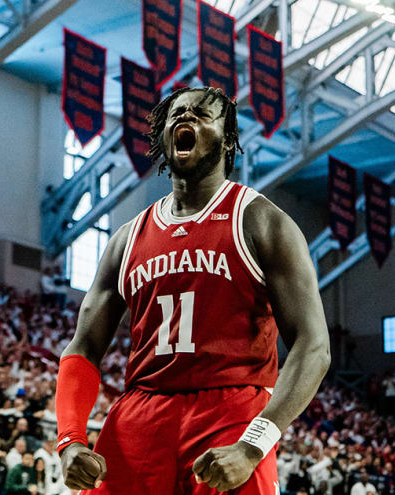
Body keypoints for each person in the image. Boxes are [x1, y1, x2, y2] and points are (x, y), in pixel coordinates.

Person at [56, 87, 330, 494]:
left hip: (230, 411)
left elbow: (313, 346)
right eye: (177, 114)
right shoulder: (127, 239)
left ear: (228, 137)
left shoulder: (260, 221)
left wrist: (253, 446)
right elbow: (82, 347)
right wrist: (70, 439)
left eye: (203, 114)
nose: (186, 118)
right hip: (142, 411)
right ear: (164, 135)